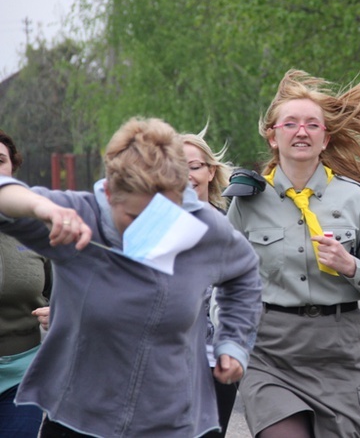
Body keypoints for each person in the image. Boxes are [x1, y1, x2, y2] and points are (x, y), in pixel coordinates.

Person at [0, 117, 263, 437]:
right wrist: (41, 207)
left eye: (163, 214)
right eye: (135, 217)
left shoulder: (202, 227)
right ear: (109, 194)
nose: (149, 229)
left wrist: (234, 342)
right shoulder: (79, 217)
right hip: (80, 419)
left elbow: (245, 273)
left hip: (173, 421)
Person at [227, 69, 360, 438]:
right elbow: (224, 278)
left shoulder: (354, 197)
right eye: (291, 124)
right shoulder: (247, 201)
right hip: (271, 350)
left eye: (312, 125)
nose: (301, 131)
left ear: (325, 138)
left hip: (340, 350)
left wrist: (350, 266)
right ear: (273, 136)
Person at [182, 129, 238, 438]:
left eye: (194, 166)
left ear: (210, 171)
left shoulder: (232, 230)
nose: (187, 176)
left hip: (217, 364)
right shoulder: (147, 230)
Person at [0, 130, 50, 437]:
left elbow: (64, 292)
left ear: (12, 169)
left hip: (23, 376)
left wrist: (57, 310)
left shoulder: (36, 226)